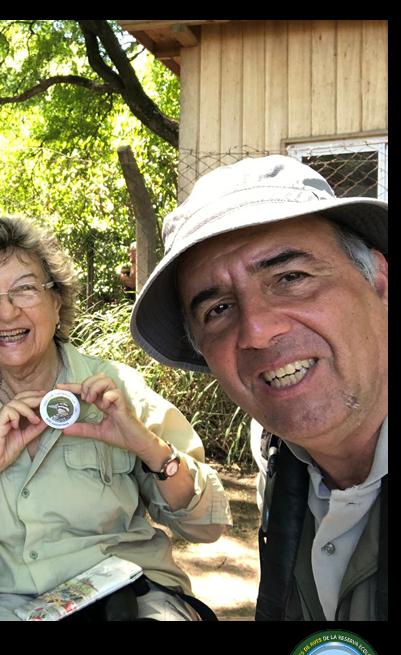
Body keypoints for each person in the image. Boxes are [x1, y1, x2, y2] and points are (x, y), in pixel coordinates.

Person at [0, 216, 231, 620]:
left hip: (128, 597)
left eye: (25, 289)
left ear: (57, 300)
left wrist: (148, 447)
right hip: (3, 607)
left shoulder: (116, 389)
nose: (6, 311)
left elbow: (205, 526)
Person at [130, 155, 388, 621]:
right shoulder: (277, 451)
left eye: (290, 278)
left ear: (380, 282)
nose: (256, 331)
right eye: (218, 310)